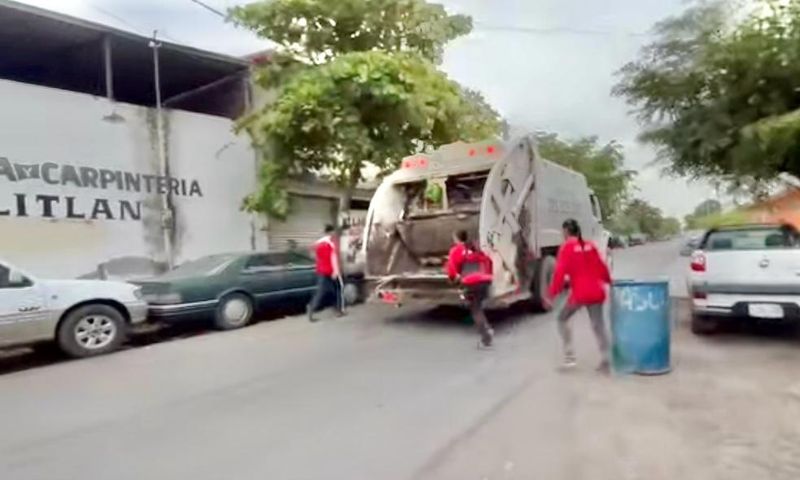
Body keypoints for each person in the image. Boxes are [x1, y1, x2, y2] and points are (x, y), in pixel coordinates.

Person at [548, 218, 612, 372]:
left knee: (562, 318)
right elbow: (601, 267)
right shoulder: (589, 245)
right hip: (597, 292)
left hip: (580, 294)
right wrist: (609, 282)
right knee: (599, 325)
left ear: (566, 231)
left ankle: (570, 359)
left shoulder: (566, 248)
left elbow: (559, 273)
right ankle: (606, 359)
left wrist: (552, 293)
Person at [446, 230, 494, 348]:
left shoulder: (456, 250)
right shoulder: (478, 250)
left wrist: (454, 278)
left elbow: (451, 268)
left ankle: (486, 337)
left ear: (456, 238)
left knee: (475, 309)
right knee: (478, 306)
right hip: (485, 281)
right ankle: (487, 328)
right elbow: (489, 262)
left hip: (471, 282)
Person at [307, 225, 344, 322]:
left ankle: (337, 309)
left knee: (329, 290)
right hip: (330, 271)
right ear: (331, 232)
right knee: (333, 290)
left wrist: (318, 260)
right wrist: (336, 271)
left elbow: (310, 251)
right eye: (333, 232)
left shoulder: (318, 242)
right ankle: (312, 309)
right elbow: (333, 258)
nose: (334, 234)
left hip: (321, 270)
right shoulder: (330, 243)